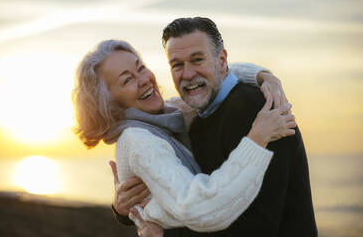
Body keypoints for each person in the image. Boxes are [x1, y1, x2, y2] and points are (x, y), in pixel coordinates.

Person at [113, 17, 318, 237]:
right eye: (177, 65)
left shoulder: (255, 109)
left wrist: (163, 232)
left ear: (221, 61)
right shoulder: (194, 117)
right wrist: (125, 210)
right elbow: (197, 199)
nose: (188, 74)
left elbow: (254, 225)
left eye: (197, 60)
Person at [72, 39, 296, 235]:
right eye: (127, 80)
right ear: (110, 102)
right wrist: (257, 139)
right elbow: (198, 207)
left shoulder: (166, 116)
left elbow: (207, 76)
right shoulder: (139, 141)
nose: (143, 80)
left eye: (141, 68)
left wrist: (262, 76)